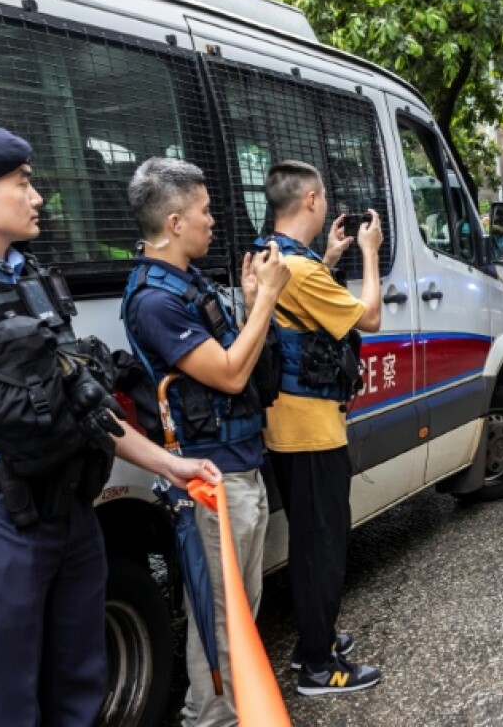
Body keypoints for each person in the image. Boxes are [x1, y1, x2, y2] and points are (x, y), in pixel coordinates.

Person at [0, 125, 221, 726]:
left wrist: (171, 464)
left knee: (82, 687)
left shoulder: (35, 281)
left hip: (73, 513)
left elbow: (86, 405)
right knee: (7, 702)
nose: (38, 196)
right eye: (23, 183)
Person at [121, 157, 290, 727]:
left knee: (242, 610)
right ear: (173, 223)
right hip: (211, 479)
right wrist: (267, 297)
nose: (213, 221)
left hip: (241, 462)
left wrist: (249, 302)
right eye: (204, 211)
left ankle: (236, 711)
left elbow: (237, 355)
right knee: (220, 617)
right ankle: (211, 717)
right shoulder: (154, 301)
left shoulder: (187, 282)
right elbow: (231, 375)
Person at [259, 159, 384, 696]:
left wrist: (332, 257)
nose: (328, 203)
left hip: (286, 429)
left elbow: (301, 314)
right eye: (325, 196)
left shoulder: (272, 255)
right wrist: (371, 255)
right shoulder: (301, 271)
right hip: (310, 433)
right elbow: (370, 317)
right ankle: (316, 665)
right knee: (321, 547)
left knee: (313, 541)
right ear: (310, 200)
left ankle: (319, 638)